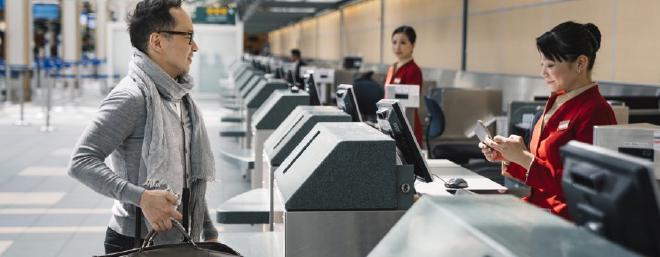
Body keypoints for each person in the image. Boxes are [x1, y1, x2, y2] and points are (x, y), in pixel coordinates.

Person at [67, 0, 218, 254]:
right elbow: (81, 161)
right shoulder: (132, 97)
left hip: (181, 240)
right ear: (157, 42)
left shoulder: (179, 98)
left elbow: (190, 178)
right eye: (188, 36)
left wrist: (209, 231)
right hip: (137, 243)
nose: (195, 46)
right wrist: (142, 198)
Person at [479, 21, 617, 219]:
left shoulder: (596, 111)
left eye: (550, 65)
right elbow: (542, 171)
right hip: (538, 211)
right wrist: (510, 156)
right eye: (542, 65)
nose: (543, 73)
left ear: (580, 63)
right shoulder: (558, 101)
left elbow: (584, 186)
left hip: (565, 222)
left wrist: (524, 157)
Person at [384, 25, 424, 145]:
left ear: (412, 45)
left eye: (403, 42)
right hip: (391, 121)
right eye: (394, 42)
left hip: (407, 124)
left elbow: (409, 101)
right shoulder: (393, 68)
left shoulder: (413, 70)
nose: (397, 47)